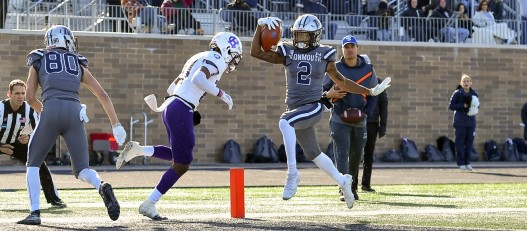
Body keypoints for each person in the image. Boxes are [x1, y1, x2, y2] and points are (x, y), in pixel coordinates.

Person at [250, 14, 391, 208]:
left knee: (285, 122)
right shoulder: (288, 50)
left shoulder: (324, 54)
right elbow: (256, 52)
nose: (300, 39)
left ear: (315, 36)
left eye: (305, 35)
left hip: (314, 105)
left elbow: (343, 82)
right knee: (313, 153)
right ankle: (343, 181)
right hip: (296, 107)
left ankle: (292, 173)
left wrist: (369, 91)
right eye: (298, 35)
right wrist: (259, 27)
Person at [115, 32, 243, 220]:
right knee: (182, 165)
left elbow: (170, 89)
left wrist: (190, 104)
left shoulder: (198, 56)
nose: (232, 62)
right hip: (181, 108)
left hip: (172, 106)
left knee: (178, 157)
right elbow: (198, 79)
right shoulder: (216, 58)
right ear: (226, 50)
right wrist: (222, 94)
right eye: (233, 57)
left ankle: (139, 150)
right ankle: (149, 203)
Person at [18, 25, 126, 225]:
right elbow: (102, 95)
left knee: (33, 163)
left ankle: (34, 213)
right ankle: (101, 186)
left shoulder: (39, 58)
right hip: (75, 112)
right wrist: (116, 123)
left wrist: (47, 112)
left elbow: (30, 97)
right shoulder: (77, 62)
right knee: (83, 169)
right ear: (66, 39)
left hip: (50, 109)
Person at [323, 36, 378, 202]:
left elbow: (374, 93)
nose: (349, 49)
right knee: (341, 152)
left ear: (357, 48)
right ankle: (343, 187)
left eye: (352, 46)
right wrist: (330, 94)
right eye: (346, 46)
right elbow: (325, 89)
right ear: (342, 49)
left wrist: (366, 112)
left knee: (357, 155)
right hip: (340, 116)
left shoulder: (368, 69)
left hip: (360, 118)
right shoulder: (334, 68)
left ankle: (352, 186)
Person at [0, 79, 65, 208]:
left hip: (16, 143)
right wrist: (1, 147)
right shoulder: (0, 109)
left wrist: (28, 137)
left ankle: (54, 198)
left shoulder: (29, 110)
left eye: (23, 93)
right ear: (9, 94)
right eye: (17, 93)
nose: (20, 96)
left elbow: (37, 129)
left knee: (39, 163)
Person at [361, 74, 387, 193]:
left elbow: (383, 104)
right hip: (357, 121)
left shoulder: (378, 82)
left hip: (371, 122)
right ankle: (352, 183)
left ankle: (366, 183)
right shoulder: (354, 79)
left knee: (368, 154)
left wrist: (383, 125)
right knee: (354, 154)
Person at [449, 74, 479, 171]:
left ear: (471, 83)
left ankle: (468, 162)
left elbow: (477, 106)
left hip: (471, 122)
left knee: (469, 142)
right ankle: (461, 163)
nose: (466, 83)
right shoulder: (457, 93)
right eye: (464, 81)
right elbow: (451, 106)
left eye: (468, 81)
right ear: (461, 83)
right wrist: (463, 105)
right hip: (460, 121)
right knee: (460, 142)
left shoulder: (474, 94)